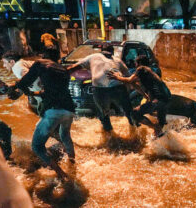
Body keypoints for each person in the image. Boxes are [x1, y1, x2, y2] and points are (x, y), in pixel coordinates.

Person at [8, 49, 76, 180]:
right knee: (65, 136)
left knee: (37, 146)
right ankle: (72, 163)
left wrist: (14, 87)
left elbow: (25, 80)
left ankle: (61, 174)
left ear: (42, 56)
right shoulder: (63, 70)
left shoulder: (40, 64)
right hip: (69, 110)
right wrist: (32, 93)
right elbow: (49, 91)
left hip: (53, 111)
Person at [67, 45, 133, 131]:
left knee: (103, 115)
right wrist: (128, 90)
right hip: (118, 87)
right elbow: (128, 76)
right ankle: (135, 130)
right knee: (129, 112)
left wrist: (60, 74)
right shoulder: (117, 60)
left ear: (101, 51)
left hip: (100, 89)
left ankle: (109, 136)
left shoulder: (92, 57)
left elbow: (73, 68)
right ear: (112, 52)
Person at [108, 66, 171, 138]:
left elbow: (129, 80)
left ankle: (155, 127)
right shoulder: (153, 76)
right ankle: (162, 140)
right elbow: (134, 83)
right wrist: (145, 96)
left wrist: (117, 77)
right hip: (167, 100)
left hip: (158, 102)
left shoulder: (141, 69)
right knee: (161, 125)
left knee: (135, 113)